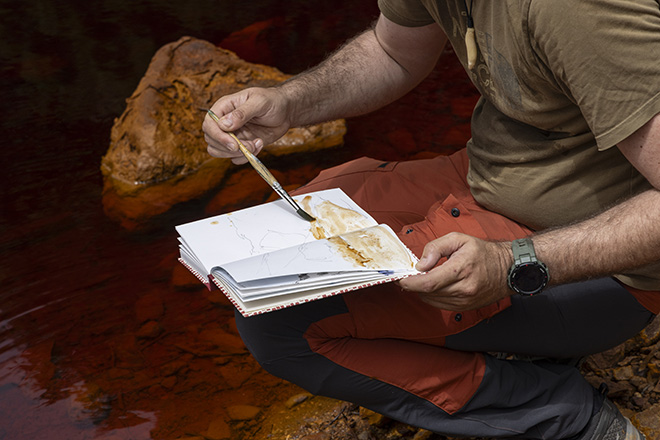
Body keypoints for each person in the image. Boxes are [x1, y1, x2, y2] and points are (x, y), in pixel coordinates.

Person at [202, 1, 660, 438]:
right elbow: (391, 52)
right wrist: (289, 103)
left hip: (597, 264)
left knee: (282, 326)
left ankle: (564, 417)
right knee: (276, 242)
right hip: (481, 177)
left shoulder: (576, 10)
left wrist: (512, 263)